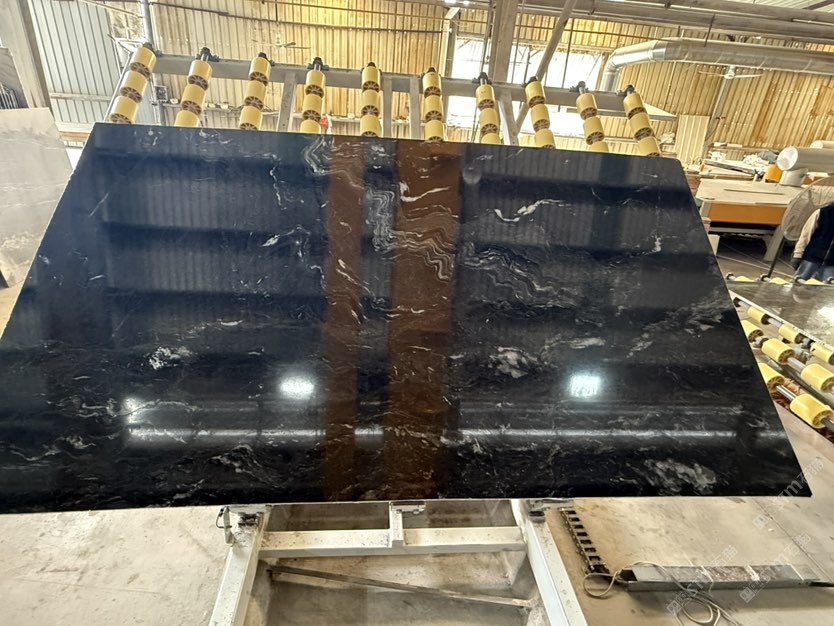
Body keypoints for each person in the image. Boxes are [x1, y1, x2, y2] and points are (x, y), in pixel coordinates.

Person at [791, 203, 834, 281]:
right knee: (799, 284)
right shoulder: (822, 212)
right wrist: (798, 254)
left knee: (826, 287)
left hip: (831, 265)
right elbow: (805, 235)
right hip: (811, 259)